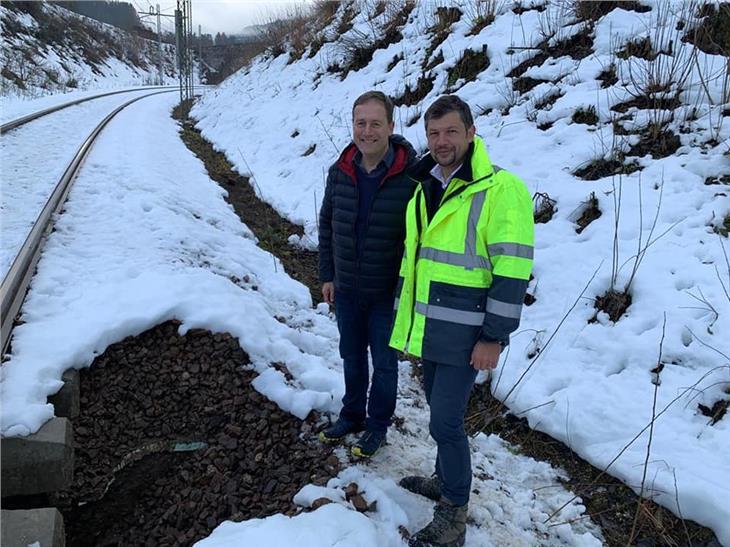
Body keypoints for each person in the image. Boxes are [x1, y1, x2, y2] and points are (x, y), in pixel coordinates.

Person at [390, 95, 534, 547]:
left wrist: (494, 336)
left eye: (451, 131)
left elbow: (512, 271)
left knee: (446, 423)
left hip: (467, 332)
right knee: (437, 411)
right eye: (433, 134)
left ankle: (452, 514)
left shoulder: (500, 189)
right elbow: (418, 263)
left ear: (471, 132)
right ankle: (443, 477)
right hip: (431, 327)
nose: (441, 142)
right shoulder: (425, 184)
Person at [318, 91, 416, 458]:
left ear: (391, 126)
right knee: (352, 355)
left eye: (376, 123)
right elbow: (327, 223)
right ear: (353, 125)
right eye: (361, 123)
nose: (368, 131)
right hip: (346, 290)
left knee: (385, 365)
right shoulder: (340, 171)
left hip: (386, 295)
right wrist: (328, 274)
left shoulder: (412, 178)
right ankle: (352, 415)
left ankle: (377, 427)